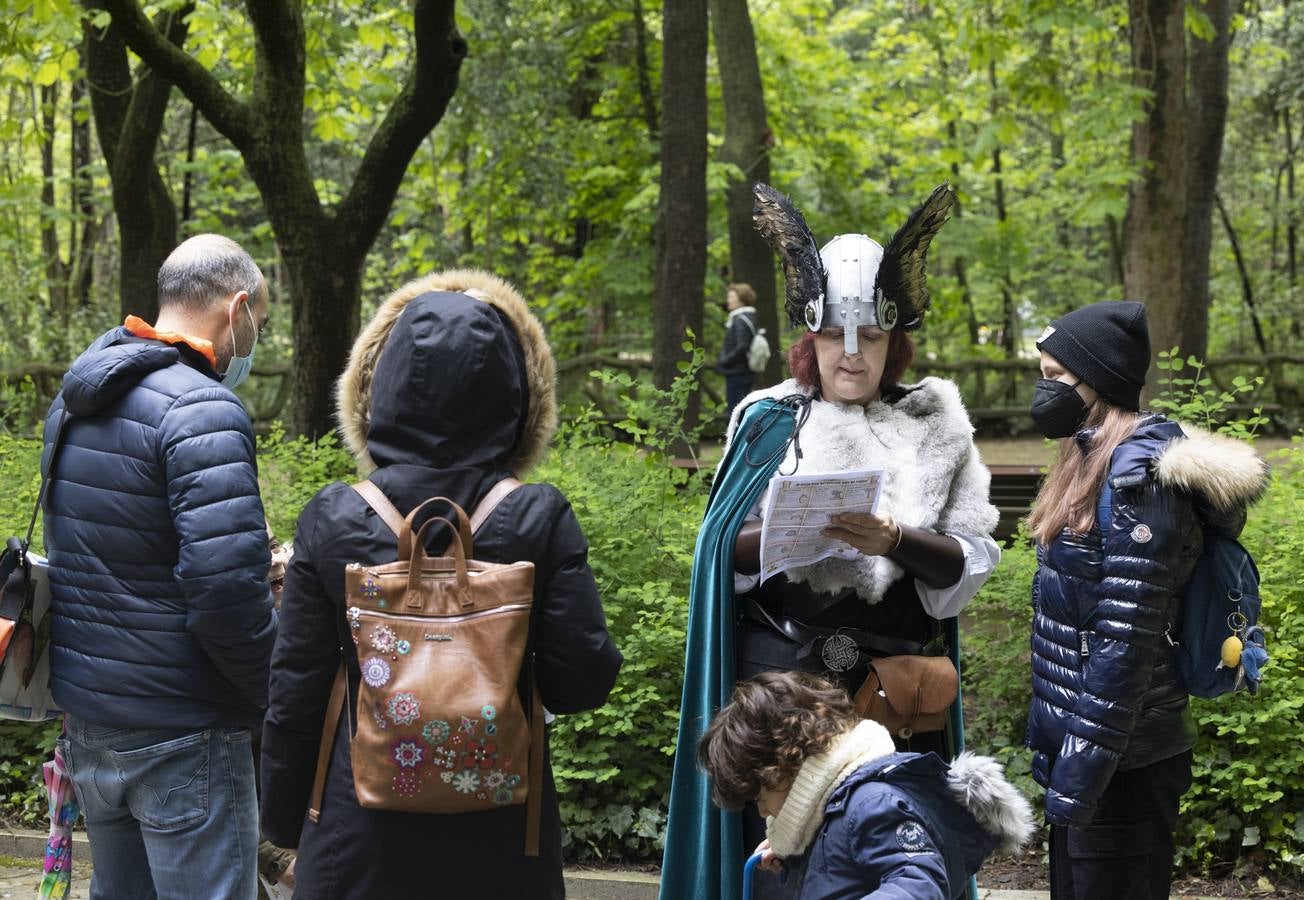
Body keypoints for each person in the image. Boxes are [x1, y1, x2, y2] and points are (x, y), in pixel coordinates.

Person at [661, 183, 1002, 900]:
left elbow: (968, 562)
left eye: (870, 338)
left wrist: (895, 538)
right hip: (782, 693)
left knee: (886, 863)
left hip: (895, 697)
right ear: (808, 341)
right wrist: (793, 536)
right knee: (780, 867)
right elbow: (719, 554)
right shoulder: (765, 421)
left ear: (894, 344)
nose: (851, 354)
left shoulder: (939, 425)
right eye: (834, 337)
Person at [259, 270, 623, 898]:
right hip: (505, 843)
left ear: (378, 387)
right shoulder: (538, 517)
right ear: (517, 392)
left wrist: (285, 826)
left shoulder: (334, 517)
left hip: (357, 839)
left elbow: (294, 688)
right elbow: (581, 680)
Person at [41, 234, 277, 899]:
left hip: (90, 719)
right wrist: (274, 691)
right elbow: (225, 592)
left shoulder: (77, 396)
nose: (256, 338)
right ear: (238, 309)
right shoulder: (203, 409)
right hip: (184, 727)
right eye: (260, 319)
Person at [1023, 300, 1269, 900]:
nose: (1043, 390)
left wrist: (1078, 776)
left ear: (1099, 383)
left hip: (1119, 764)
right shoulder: (1090, 457)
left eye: (1058, 377)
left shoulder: (1139, 482)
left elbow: (1124, 644)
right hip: (1095, 754)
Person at [700, 672, 1033, 899]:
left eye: (760, 795)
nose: (761, 810)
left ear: (788, 763)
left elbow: (920, 883)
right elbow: (843, 871)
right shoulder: (828, 808)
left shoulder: (874, 803)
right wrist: (797, 856)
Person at [716, 282, 762, 415]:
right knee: (740, 411)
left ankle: (735, 436)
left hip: (738, 373)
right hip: (742, 372)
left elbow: (742, 347)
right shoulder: (747, 318)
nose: (728, 300)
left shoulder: (740, 320)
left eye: (731, 297)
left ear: (741, 300)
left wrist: (724, 361)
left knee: (735, 413)